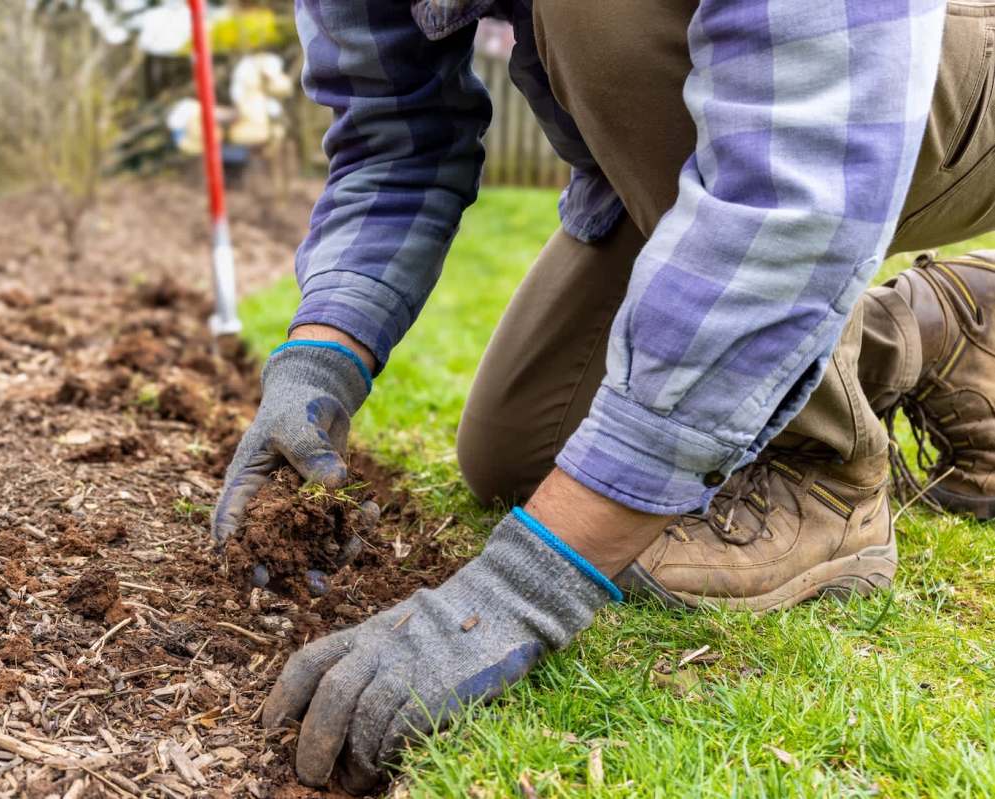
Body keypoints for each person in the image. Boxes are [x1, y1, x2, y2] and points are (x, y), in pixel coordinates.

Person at [211, 0, 995, 791]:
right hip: (712, 138)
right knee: (516, 453)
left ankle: (822, 472)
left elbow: (801, 186)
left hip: (896, 87)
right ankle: (921, 332)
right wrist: (320, 359)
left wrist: (519, 587)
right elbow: (393, 141)